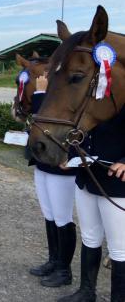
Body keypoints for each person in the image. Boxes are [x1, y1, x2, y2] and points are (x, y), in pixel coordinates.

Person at [58, 106, 125, 302]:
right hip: (86, 178)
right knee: (89, 237)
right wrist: (70, 156)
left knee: (119, 248)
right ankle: (86, 292)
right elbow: (81, 134)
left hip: (115, 184)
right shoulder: (92, 97)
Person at [28, 74, 77, 288]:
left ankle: (64, 270)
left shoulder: (66, 95)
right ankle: (53, 260)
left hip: (61, 165)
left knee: (62, 218)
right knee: (49, 215)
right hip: (43, 163)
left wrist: (39, 93)